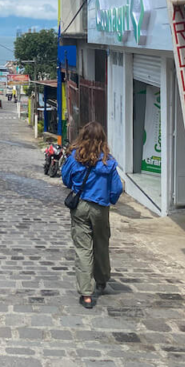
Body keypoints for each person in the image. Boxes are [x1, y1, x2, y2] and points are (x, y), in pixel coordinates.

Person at [61, 121, 123, 309]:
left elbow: (65, 178)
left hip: (80, 206)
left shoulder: (74, 157)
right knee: (101, 244)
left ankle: (86, 294)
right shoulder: (108, 162)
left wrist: (77, 185)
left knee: (83, 249)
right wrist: (109, 199)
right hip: (100, 208)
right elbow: (117, 188)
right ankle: (102, 279)